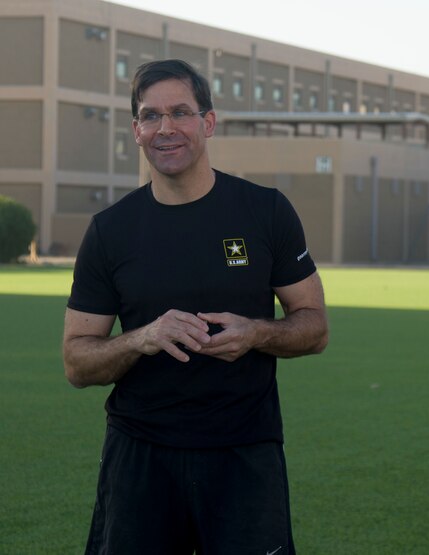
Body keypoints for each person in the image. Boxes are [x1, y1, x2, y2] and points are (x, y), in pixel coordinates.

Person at [62, 59, 328, 554]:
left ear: (208, 121)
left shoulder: (265, 211)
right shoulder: (110, 231)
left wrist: (256, 332)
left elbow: (315, 326)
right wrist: (142, 338)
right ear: (136, 130)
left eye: (180, 112)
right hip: (140, 456)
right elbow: (77, 363)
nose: (166, 128)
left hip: (243, 451)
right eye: (150, 116)